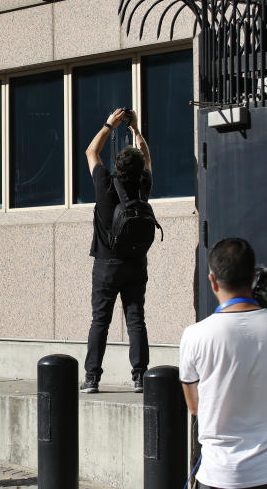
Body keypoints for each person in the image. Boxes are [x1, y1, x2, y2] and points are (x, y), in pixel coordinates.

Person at [179, 238, 267, 489]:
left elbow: (194, 406)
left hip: (219, 473)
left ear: (212, 280)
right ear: (254, 276)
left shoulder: (194, 335)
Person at [81, 107, 153, 394]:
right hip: (135, 263)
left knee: (100, 320)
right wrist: (135, 130)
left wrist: (108, 124)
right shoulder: (143, 186)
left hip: (106, 264)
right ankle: (139, 377)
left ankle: (92, 379)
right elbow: (147, 157)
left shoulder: (104, 184)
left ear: (117, 167)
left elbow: (90, 151)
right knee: (136, 319)